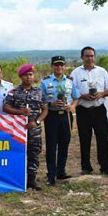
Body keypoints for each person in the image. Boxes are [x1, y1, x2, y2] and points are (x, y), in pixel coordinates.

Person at [70, 46, 108, 175]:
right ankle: (86, 167)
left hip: (99, 109)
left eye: (91, 55)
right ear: (82, 57)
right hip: (83, 110)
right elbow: (72, 92)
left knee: (102, 138)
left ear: (94, 57)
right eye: (87, 56)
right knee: (84, 139)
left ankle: (105, 167)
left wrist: (101, 94)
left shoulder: (102, 71)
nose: (89, 58)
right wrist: (82, 95)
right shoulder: (75, 73)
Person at [4, 64, 48, 190]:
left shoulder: (39, 92)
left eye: (30, 74)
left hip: (35, 130)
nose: (29, 77)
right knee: (17, 153)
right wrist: (20, 112)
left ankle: (32, 180)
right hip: (18, 130)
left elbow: (45, 110)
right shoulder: (14, 92)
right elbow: (6, 108)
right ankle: (17, 179)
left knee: (34, 154)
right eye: (26, 75)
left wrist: (37, 122)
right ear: (21, 77)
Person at [40, 56, 80, 186]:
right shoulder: (45, 83)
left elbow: (76, 97)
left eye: (62, 65)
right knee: (51, 146)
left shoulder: (69, 82)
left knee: (64, 143)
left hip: (66, 116)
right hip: (52, 116)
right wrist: (50, 104)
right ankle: (51, 174)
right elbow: (40, 100)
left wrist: (73, 106)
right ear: (52, 66)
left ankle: (61, 171)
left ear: (64, 66)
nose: (59, 67)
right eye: (56, 65)